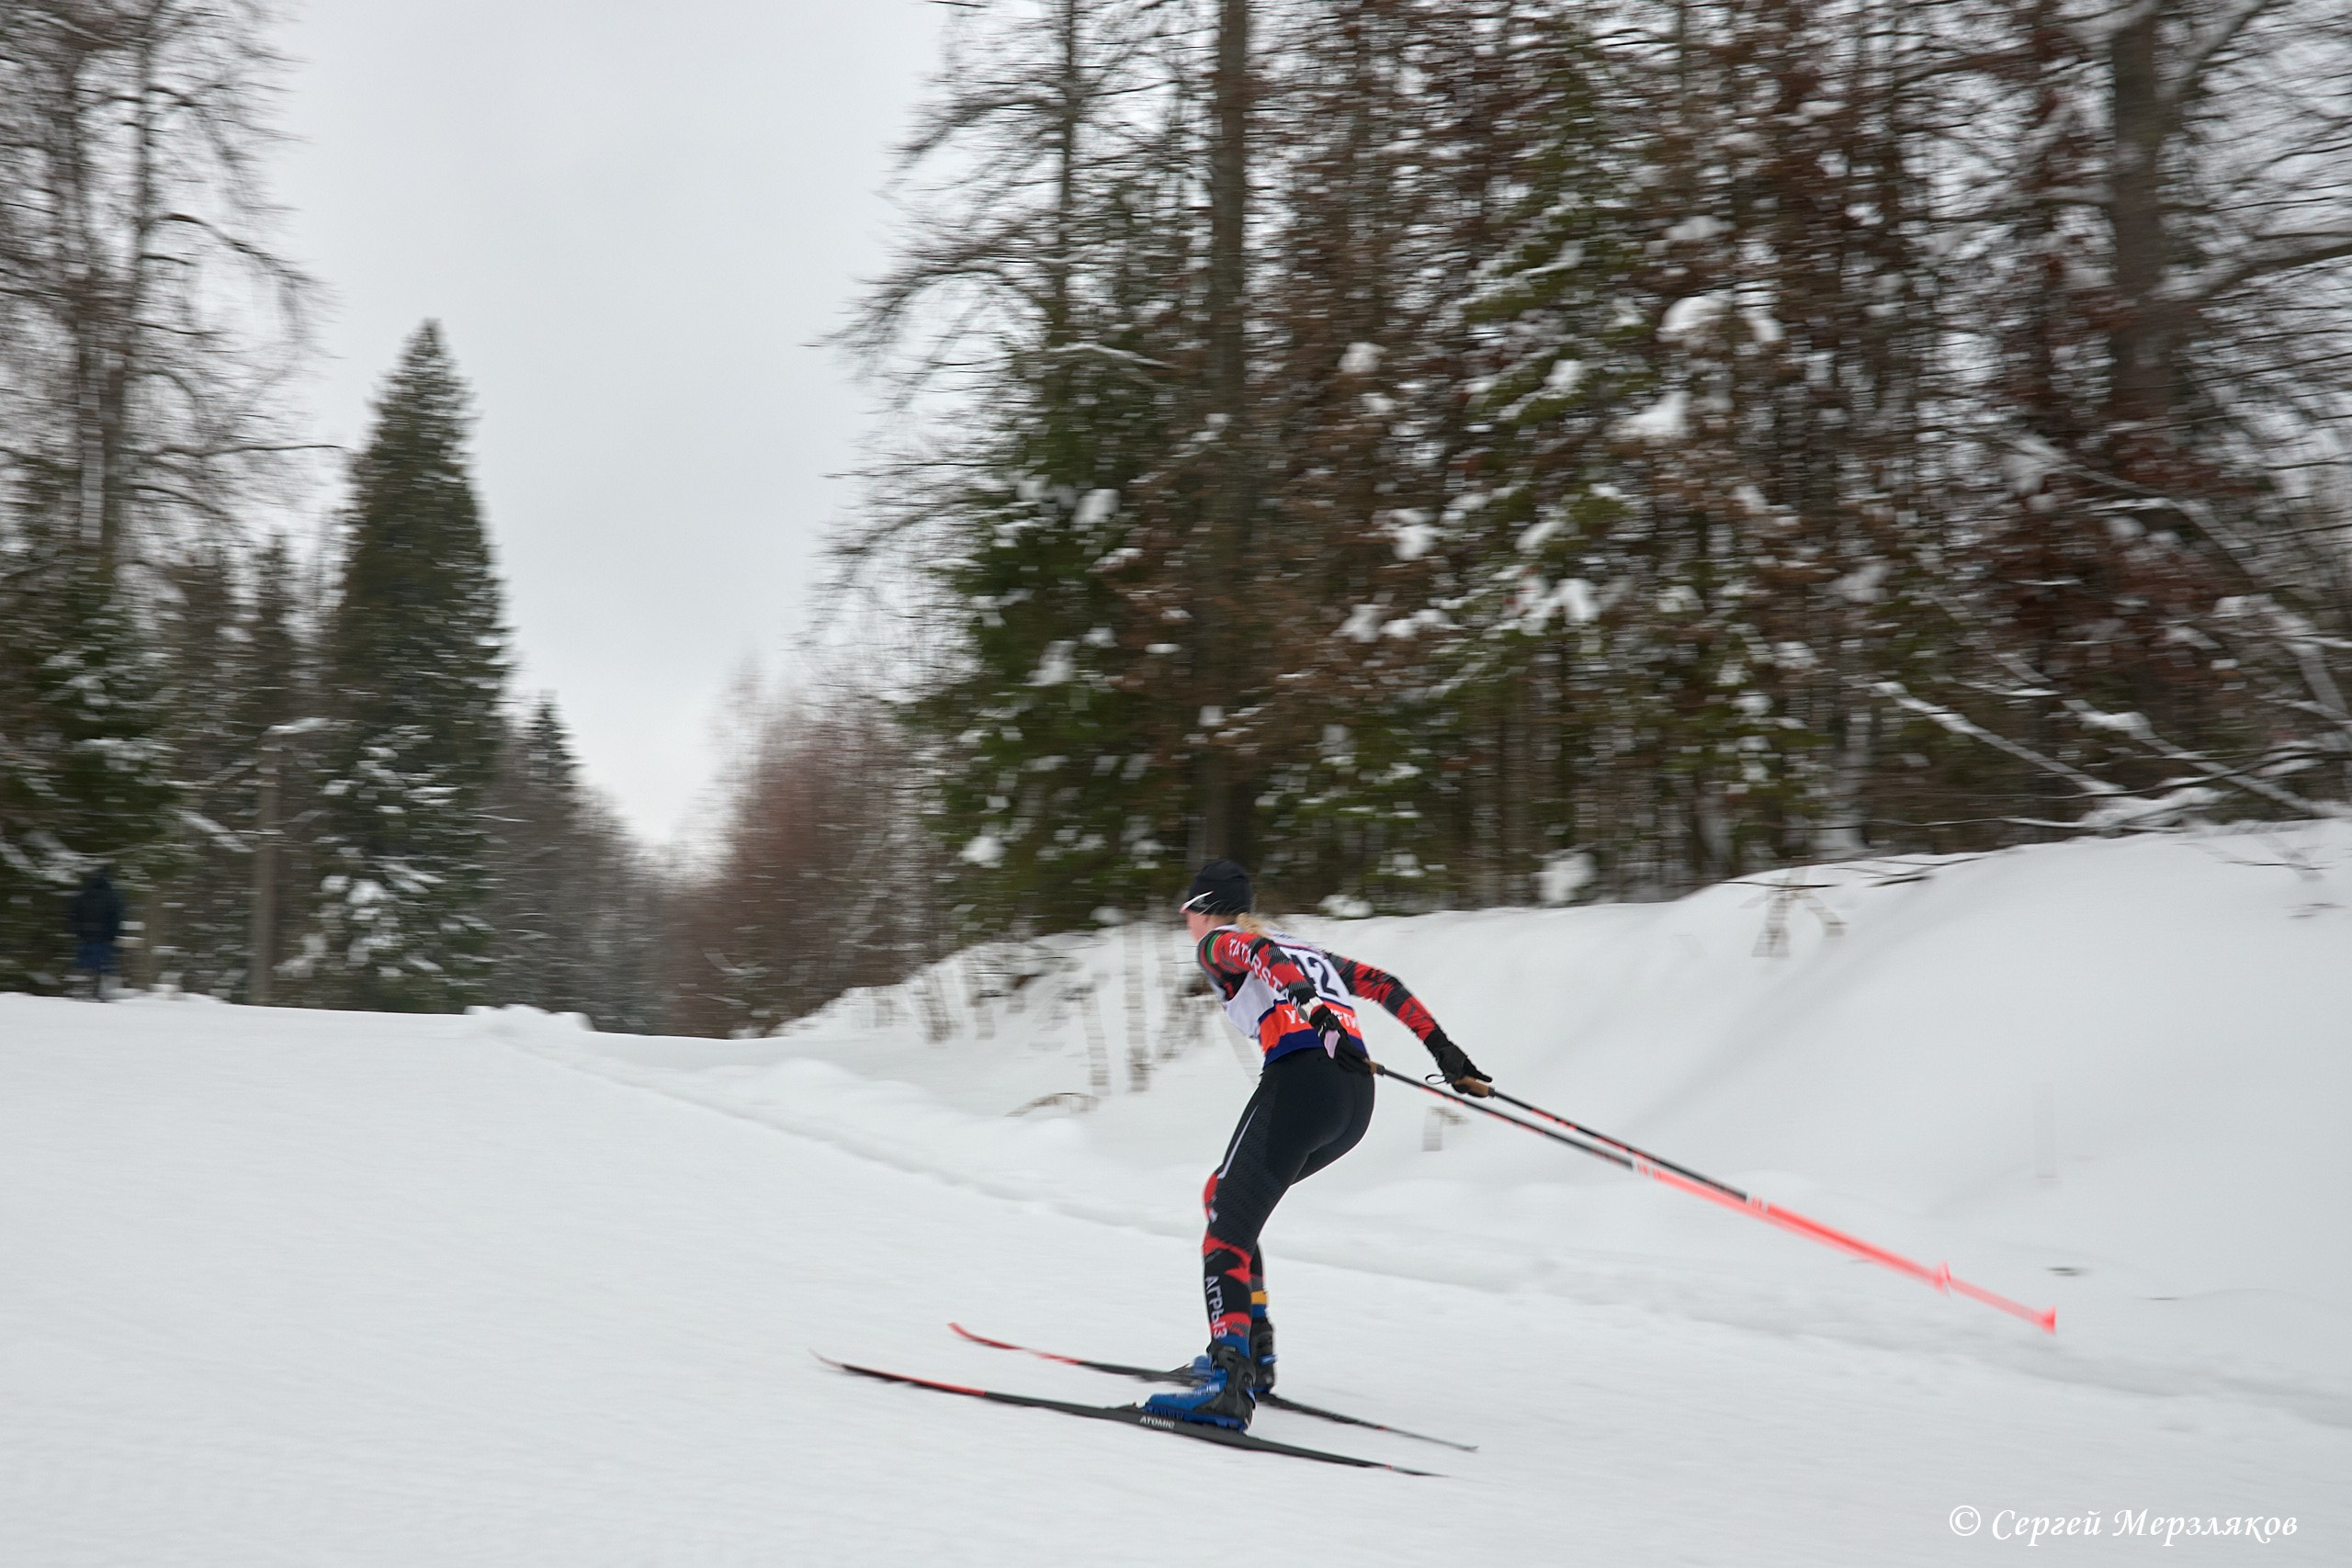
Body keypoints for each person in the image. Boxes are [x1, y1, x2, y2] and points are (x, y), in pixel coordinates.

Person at [1143, 857, 1490, 1430]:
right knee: (1225, 1197)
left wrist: (1308, 1005)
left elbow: (1253, 955)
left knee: (1225, 1227)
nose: (1187, 926)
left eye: (1187, 913)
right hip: (1353, 1103)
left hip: (1303, 1083)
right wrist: (1445, 1054)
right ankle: (1256, 1355)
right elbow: (1384, 984)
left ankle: (1228, 1385)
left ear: (1203, 910)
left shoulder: (1221, 942)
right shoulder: (1296, 945)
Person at [69, 865, 127, 1001]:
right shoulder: (111, 896)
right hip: (103, 936)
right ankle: (103, 990)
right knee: (103, 963)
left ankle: (80, 985)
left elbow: (73, 914)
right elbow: (116, 917)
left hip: (85, 935)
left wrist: (77, 931)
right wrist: (113, 935)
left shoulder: (83, 895)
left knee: (84, 960)